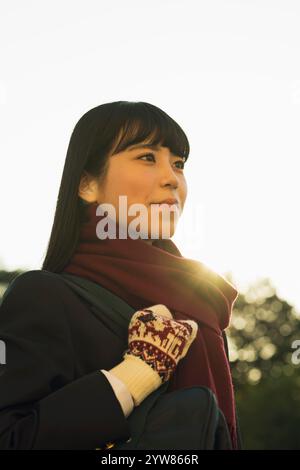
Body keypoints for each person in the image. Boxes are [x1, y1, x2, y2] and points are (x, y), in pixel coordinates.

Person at [0, 101, 241, 450]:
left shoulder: (203, 308)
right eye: (147, 157)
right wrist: (133, 377)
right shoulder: (43, 296)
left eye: (179, 164)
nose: (171, 178)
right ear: (87, 185)